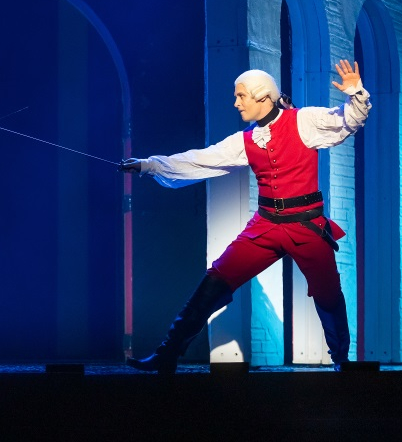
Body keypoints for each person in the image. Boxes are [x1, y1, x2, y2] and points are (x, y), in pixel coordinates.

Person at [119, 59, 371, 373]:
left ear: (262, 96)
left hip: (306, 224)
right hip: (266, 226)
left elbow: (347, 121)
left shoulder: (303, 121)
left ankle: (342, 360)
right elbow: (202, 160)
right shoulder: (246, 140)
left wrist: (355, 93)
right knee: (215, 279)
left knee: (328, 292)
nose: (236, 103)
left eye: (241, 96)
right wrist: (149, 165)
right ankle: (167, 354)